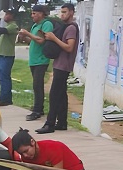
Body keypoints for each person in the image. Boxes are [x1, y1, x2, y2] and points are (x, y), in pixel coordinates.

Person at [36, 4, 79, 134]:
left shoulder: (71, 28)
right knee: (61, 94)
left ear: (71, 12)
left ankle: (50, 124)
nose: (62, 15)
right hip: (59, 64)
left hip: (63, 65)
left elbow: (69, 48)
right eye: (61, 12)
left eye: (65, 12)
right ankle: (62, 122)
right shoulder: (66, 27)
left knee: (54, 94)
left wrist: (54, 38)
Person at [18, 5, 53, 121]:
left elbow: (41, 40)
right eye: (32, 13)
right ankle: (38, 107)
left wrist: (28, 34)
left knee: (38, 85)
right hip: (34, 60)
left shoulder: (46, 24)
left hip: (41, 60)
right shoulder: (35, 26)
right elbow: (32, 40)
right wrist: (24, 37)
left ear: (42, 13)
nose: (32, 15)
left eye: (35, 13)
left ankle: (37, 110)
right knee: (36, 85)